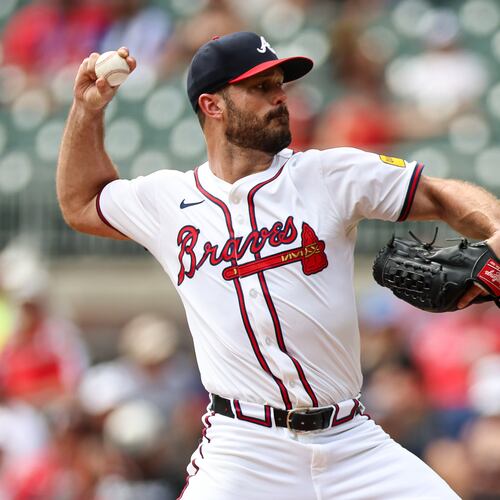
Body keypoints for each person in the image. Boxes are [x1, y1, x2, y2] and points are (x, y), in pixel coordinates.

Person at [56, 32, 500, 499]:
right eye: (261, 87)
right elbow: (81, 202)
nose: (280, 96)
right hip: (244, 449)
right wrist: (87, 110)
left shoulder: (326, 175)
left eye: (279, 84)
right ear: (213, 105)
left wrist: (496, 231)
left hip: (350, 440)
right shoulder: (167, 200)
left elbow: (440, 193)